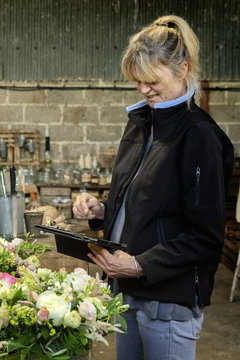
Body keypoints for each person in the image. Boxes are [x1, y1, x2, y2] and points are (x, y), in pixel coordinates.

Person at [72, 15, 234, 360]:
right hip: (126, 291)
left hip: (168, 299)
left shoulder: (199, 136)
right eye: (137, 81)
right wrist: (102, 209)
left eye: (151, 80)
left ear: (182, 69)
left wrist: (140, 264)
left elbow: (206, 237)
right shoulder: (140, 125)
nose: (144, 89)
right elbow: (146, 198)